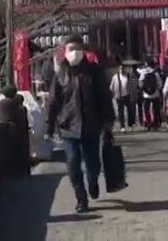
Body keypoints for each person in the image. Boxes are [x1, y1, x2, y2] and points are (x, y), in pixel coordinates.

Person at [45, 37, 114, 213]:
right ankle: (81, 197)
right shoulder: (61, 73)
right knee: (73, 160)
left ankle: (93, 181)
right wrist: (49, 125)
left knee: (93, 161)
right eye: (70, 49)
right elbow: (53, 101)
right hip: (69, 125)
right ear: (65, 52)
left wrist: (109, 120)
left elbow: (104, 97)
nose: (74, 53)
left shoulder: (94, 71)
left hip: (91, 124)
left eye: (77, 48)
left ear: (83, 51)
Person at [110, 65, 139, 132]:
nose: (122, 69)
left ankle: (130, 125)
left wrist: (133, 94)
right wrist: (113, 95)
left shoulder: (128, 76)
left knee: (130, 111)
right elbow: (111, 87)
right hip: (119, 96)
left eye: (123, 68)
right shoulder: (115, 77)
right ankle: (122, 126)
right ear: (118, 69)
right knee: (121, 112)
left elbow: (132, 86)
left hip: (127, 96)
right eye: (120, 68)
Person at [136, 60, 163, 130]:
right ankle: (155, 124)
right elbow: (159, 84)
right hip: (155, 94)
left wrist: (143, 89)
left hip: (146, 95)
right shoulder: (155, 73)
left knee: (146, 109)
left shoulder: (143, 73)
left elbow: (140, 83)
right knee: (155, 110)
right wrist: (157, 89)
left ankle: (148, 122)